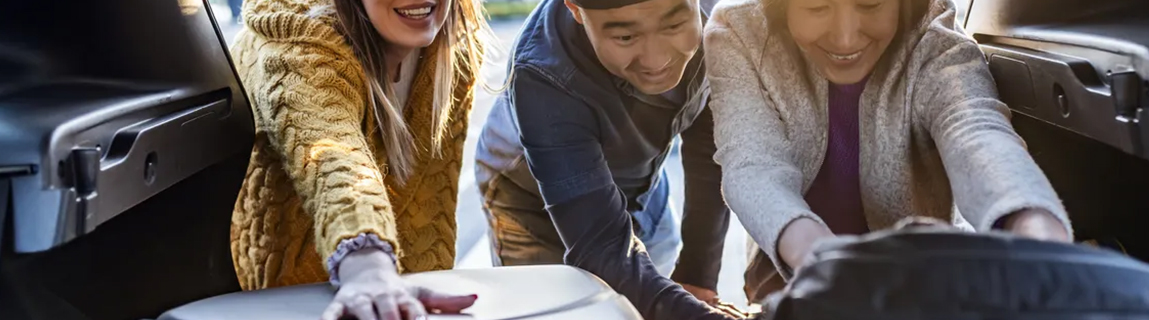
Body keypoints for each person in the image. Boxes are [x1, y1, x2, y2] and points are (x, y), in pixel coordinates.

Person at [705, 0, 1079, 302]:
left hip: (919, 280)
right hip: (789, 263)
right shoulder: (738, 33)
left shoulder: (935, 38)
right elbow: (751, 162)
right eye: (818, 8)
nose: (845, 38)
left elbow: (976, 132)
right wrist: (821, 259)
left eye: (870, 4)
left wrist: (1036, 231)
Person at [227, 0, 489, 319]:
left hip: (386, 299)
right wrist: (368, 267)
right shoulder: (294, 43)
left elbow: (428, 221)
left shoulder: (453, 45)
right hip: (283, 304)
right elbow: (334, 159)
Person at [472, 0, 734, 317]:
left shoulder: (720, 20)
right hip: (531, 197)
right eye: (625, 37)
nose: (657, 60)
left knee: (652, 291)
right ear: (576, 10)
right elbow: (600, 245)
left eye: (673, 26)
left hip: (642, 173)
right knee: (560, 310)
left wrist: (697, 273)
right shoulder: (542, 75)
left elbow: (711, 148)